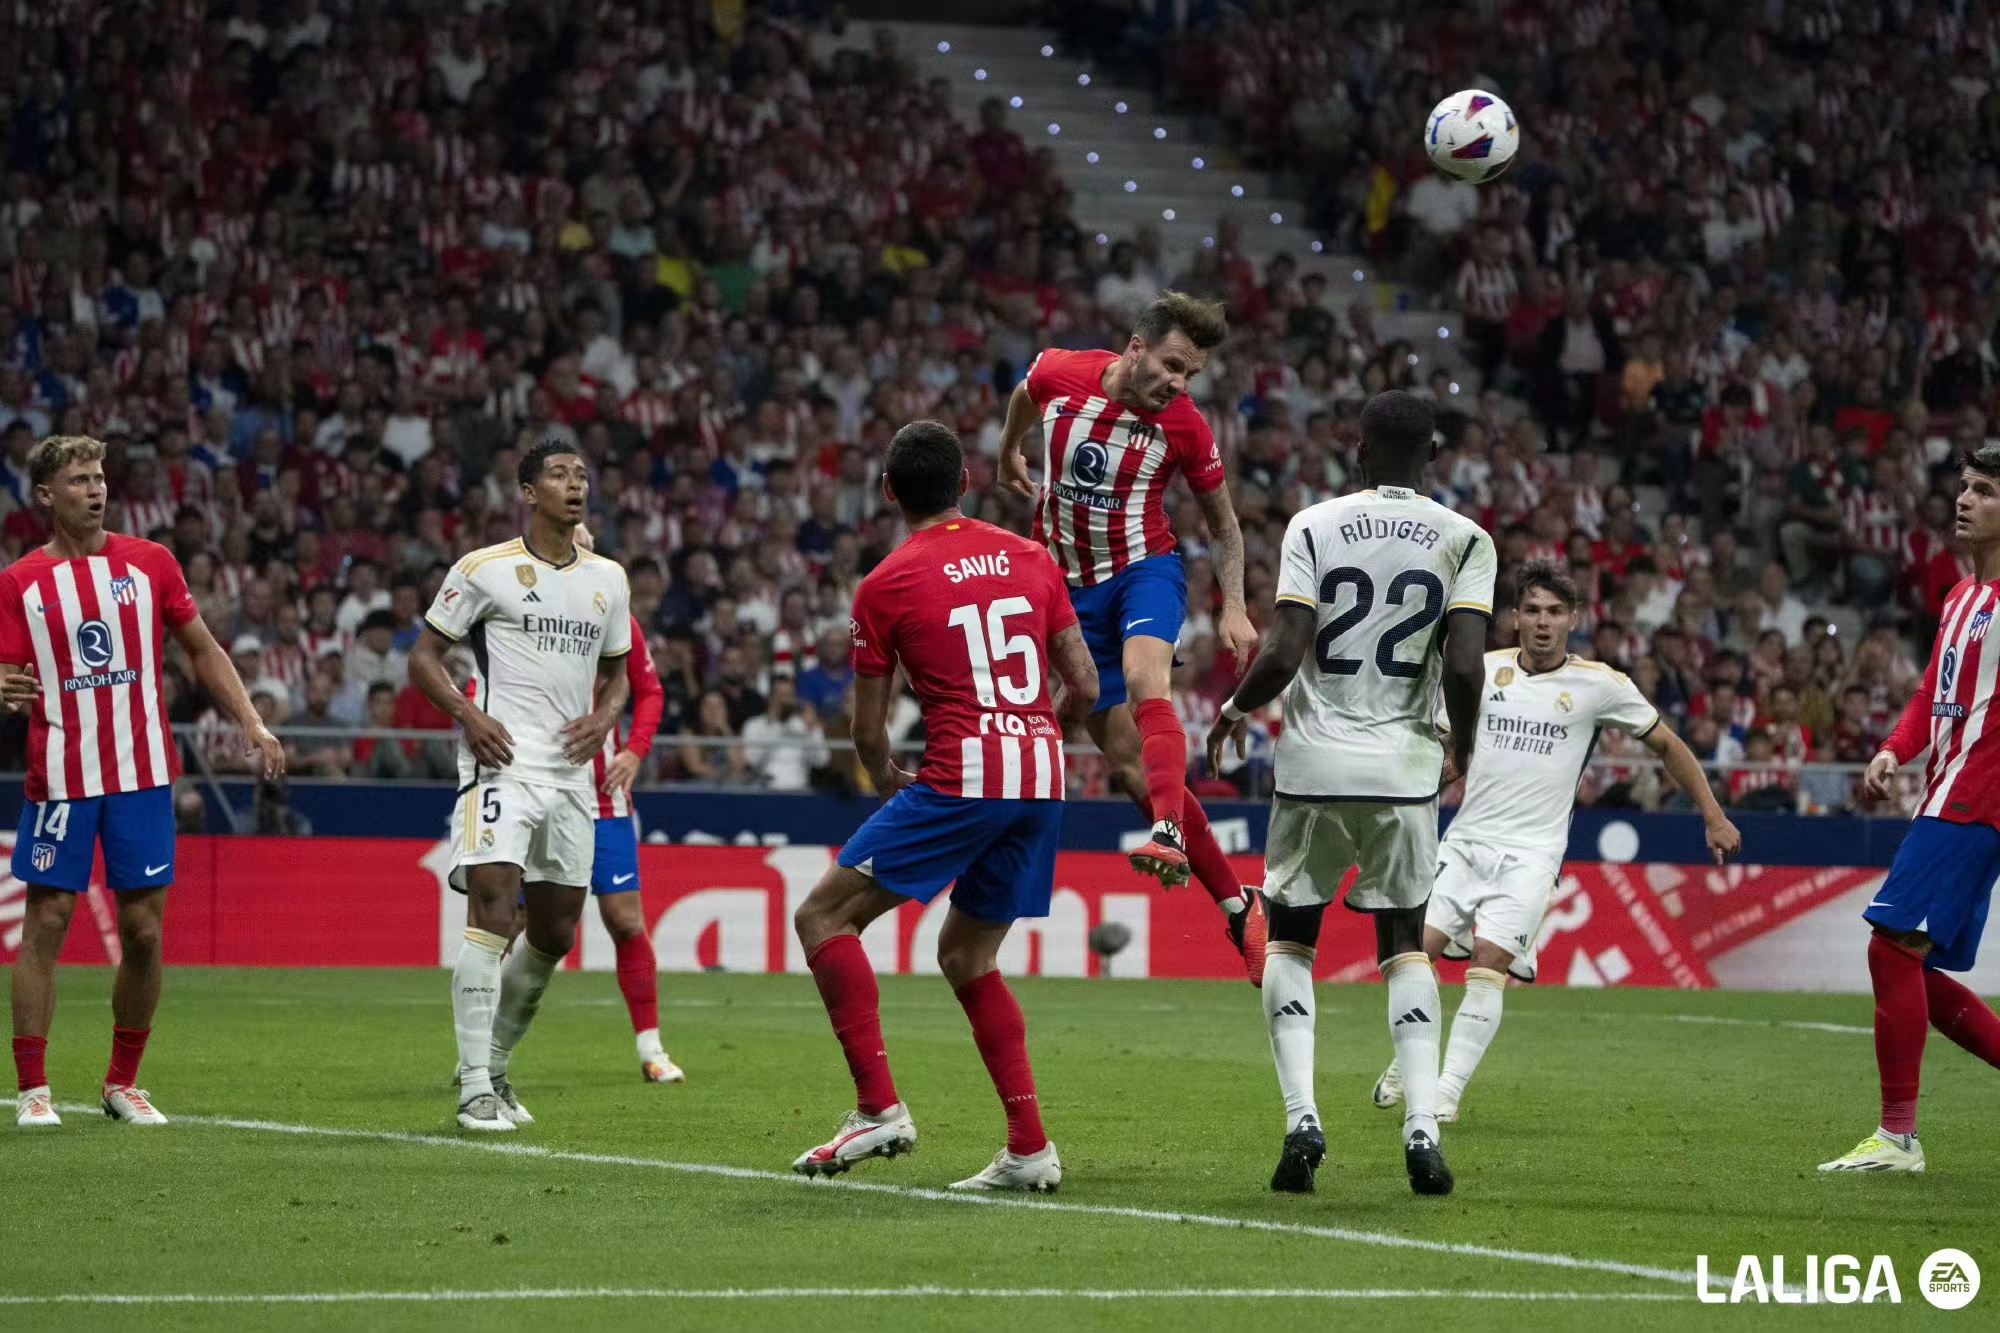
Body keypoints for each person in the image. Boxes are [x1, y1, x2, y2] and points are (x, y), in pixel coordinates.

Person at [791, 420, 1098, 1192]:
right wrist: (1032, 741)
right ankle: (1029, 1147)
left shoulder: (886, 582)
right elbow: (1087, 686)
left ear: (890, 490)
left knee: (822, 917)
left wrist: (886, 776)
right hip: (1041, 776)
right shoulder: (1033, 558)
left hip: (964, 773)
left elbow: (866, 732)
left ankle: (877, 1108)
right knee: (966, 955)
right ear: (965, 482)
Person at [1205, 391, 1493, 1198]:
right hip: (1404, 773)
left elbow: (1286, 646)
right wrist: (1460, 749)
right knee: (1404, 947)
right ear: (1433, 455)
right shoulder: (1468, 539)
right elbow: (1468, 668)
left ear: (1359, 451)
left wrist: (1233, 710)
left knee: (1292, 941)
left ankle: (1302, 1116)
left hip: (1312, 770)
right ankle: (1423, 1128)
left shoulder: (1315, 525)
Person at [1369, 564, 1742, 1121]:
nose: (1543, 623)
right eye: (1533, 611)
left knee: (1489, 962)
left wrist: (1712, 814)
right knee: (1414, 954)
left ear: (1573, 620)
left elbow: (1667, 745)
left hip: (1532, 855)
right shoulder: (1481, 670)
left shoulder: (1599, 685)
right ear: (1515, 618)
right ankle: (1408, 1062)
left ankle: (1444, 1093)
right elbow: (1449, 751)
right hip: (1465, 843)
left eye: (1554, 612)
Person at [2, 435, 284, 1129]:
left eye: (99, 477)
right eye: (78, 480)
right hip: (64, 777)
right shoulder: (20, 583)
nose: (95, 489)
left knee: (146, 932)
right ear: (46, 495)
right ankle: (34, 1088)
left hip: (143, 775)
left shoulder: (151, 563)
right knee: (46, 922)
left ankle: (122, 1083)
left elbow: (201, 648)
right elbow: (8, 674)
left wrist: (250, 719)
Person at [997, 291, 1266, 984]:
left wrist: (1234, 605)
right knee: (1127, 766)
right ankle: (1238, 905)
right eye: (1174, 364)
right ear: (1136, 348)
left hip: (1143, 570)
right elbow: (1024, 396)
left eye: (1192, 374)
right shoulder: (1062, 371)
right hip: (1063, 584)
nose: (1180, 382)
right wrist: (1007, 452)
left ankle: (1169, 836)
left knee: (1152, 683)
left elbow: (1225, 525)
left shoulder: (1185, 425)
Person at [409, 439, 632, 1132]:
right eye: (560, 474)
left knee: (558, 928)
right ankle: (474, 1083)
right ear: (529, 492)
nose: (576, 484)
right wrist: (468, 714)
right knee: (493, 907)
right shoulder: (484, 569)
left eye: (583, 473)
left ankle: (498, 1064)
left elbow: (621, 670)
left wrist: (605, 716)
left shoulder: (609, 579)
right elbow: (423, 656)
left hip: (570, 770)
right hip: (500, 757)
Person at [1821, 444, 2000, 1174]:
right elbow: (1933, 696)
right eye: (1963, 487)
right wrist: (1895, 748)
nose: (1963, 500)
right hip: (1946, 792)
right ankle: (1897, 1136)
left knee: (1890, 944)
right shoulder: (1960, 598)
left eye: (1984, 490)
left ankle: (1898, 1137)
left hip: (1975, 799)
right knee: (1911, 965)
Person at [572, 527, 684, 1085]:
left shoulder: (617, 620)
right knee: (517, 922)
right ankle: (485, 1051)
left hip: (605, 797)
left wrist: (635, 752)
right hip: (540, 792)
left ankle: (651, 1048)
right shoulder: (522, 617)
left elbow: (651, 691)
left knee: (624, 920)